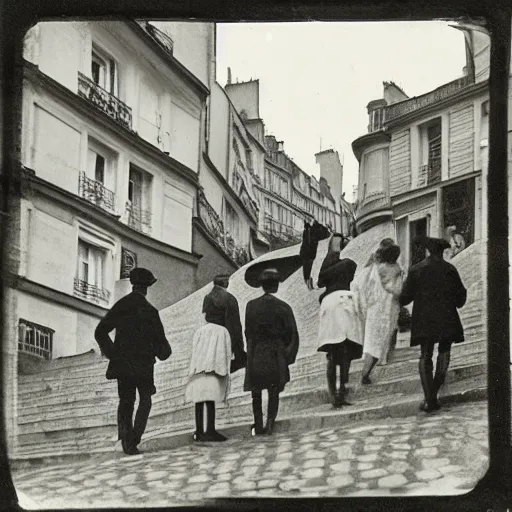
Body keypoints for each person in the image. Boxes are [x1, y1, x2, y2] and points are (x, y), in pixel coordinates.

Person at [94, 268, 172, 455]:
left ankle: (127, 442)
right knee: (145, 400)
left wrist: (113, 354)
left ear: (133, 285)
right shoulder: (151, 311)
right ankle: (135, 438)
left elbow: (100, 332)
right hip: (144, 366)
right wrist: (160, 351)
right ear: (146, 288)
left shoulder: (121, 306)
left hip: (124, 365)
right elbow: (162, 345)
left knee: (126, 401)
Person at [399, 236, 467, 412]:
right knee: (444, 352)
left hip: (424, 319)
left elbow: (405, 298)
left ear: (428, 251)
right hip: (447, 317)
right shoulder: (450, 269)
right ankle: (432, 395)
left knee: (425, 354)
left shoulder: (415, 270)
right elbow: (461, 299)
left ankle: (429, 399)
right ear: (442, 251)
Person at [185, 274, 246, 442]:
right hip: (217, 350)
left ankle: (199, 430)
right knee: (211, 389)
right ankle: (210, 430)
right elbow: (234, 327)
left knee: (200, 389)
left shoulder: (200, 330)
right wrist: (238, 354)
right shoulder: (228, 305)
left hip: (201, 356)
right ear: (225, 283)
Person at [244, 268, 300, 436]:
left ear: (262, 285)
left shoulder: (251, 306)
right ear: (276, 286)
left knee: (256, 392)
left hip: (257, 352)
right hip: (276, 354)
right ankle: (269, 424)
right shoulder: (284, 307)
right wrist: (287, 357)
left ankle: (258, 424)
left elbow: (248, 332)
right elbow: (293, 334)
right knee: (273, 391)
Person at [315, 233, 362, 408]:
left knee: (331, 352)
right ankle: (341, 391)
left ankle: (333, 394)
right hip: (345, 300)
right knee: (347, 349)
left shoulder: (326, 272)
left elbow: (320, 282)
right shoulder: (349, 264)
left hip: (330, 303)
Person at [353, 240, 403, 384]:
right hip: (388, 306)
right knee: (386, 335)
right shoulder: (396, 268)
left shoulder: (377, 268)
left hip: (375, 308)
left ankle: (366, 371)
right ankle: (378, 363)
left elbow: (360, 284)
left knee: (373, 342)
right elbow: (397, 289)